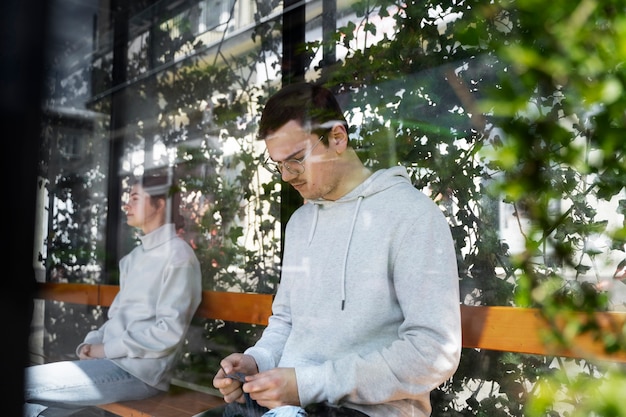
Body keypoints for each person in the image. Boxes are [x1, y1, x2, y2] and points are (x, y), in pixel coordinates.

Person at [212, 82, 462, 417]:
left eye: (296, 159)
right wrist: (258, 360)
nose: (288, 176)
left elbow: (432, 352)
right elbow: (286, 321)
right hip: (287, 406)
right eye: (279, 164)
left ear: (338, 138)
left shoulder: (412, 216)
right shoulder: (300, 223)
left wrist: (308, 383)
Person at [24, 170, 203, 416]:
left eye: (136, 198)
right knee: (34, 409)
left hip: (140, 374)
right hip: (108, 364)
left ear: (159, 204)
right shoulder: (133, 259)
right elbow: (117, 318)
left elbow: (168, 332)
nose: (127, 205)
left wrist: (106, 350)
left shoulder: (179, 256)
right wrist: (92, 343)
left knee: (24, 382)